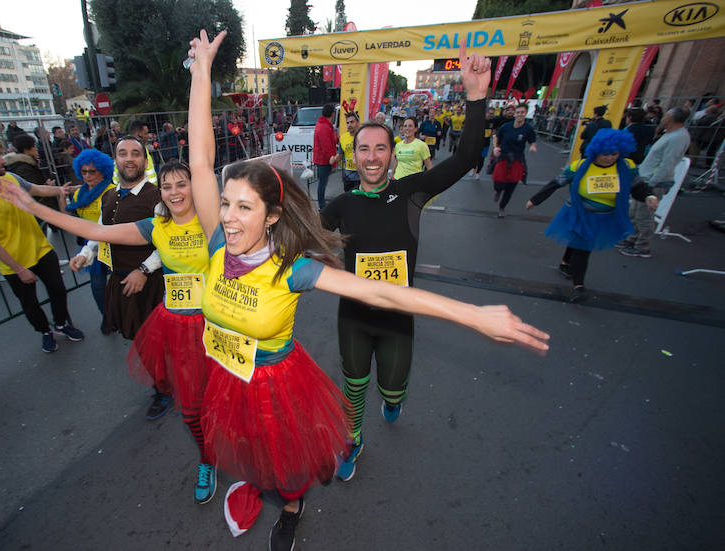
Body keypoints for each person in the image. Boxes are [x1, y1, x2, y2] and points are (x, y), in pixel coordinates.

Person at [186, 29, 549, 551]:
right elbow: (201, 160)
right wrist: (201, 73)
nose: (229, 216)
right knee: (270, 441)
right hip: (230, 374)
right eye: (226, 203)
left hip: (287, 377)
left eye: (244, 207)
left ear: (269, 215)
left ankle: (294, 502)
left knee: (321, 440)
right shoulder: (222, 239)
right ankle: (327, 455)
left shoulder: (300, 265)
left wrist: (473, 316)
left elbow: (385, 293)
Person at [0, 159, 215, 504]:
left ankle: (237, 448)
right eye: (168, 186)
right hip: (179, 324)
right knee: (191, 407)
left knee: (228, 396)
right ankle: (208, 460)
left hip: (220, 324)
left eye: (182, 184)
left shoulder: (213, 222)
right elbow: (96, 232)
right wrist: (33, 206)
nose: (175, 192)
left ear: (195, 186)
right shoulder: (154, 227)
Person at [321, 47, 490, 483]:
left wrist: (476, 97)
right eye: (364, 149)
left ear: (393, 155)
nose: (372, 157)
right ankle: (353, 437)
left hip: (399, 319)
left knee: (391, 390)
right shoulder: (341, 204)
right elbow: (302, 237)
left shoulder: (413, 191)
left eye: (381, 149)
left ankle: (393, 399)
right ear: (353, 156)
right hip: (354, 316)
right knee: (353, 385)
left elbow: (467, 156)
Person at [69, 136, 168, 417]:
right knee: (139, 338)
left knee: (153, 341)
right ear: (116, 160)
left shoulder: (156, 197)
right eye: (122, 153)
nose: (129, 158)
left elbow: (168, 241)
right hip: (120, 279)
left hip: (150, 282)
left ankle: (164, 390)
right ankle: (164, 382)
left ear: (144, 160)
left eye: (135, 153)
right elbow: (100, 232)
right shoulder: (109, 195)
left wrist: (144, 270)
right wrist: (85, 255)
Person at [0, 141, 83, 353]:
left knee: (58, 290)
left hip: (41, 250)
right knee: (30, 303)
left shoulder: (10, 178)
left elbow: (36, 190)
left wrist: (64, 190)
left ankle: (61, 324)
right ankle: (45, 331)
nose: (2, 160)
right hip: (14, 263)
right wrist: (19, 269)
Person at [527, 129, 657, 302]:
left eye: (614, 153)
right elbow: (556, 182)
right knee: (583, 248)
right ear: (596, 151)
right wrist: (535, 200)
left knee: (577, 241)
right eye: (605, 154)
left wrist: (649, 196)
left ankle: (566, 262)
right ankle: (578, 287)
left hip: (605, 216)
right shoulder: (580, 166)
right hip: (580, 213)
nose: (610, 157)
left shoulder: (626, 167)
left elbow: (638, 187)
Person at [617, 107, 691, 258]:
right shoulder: (669, 134)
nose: (662, 118)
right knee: (635, 212)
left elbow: (667, 164)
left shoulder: (678, 137)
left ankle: (642, 246)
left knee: (644, 216)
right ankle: (632, 239)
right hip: (645, 179)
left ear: (672, 119)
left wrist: (652, 183)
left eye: (666, 116)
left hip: (654, 182)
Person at [63, 149, 116, 327]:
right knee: (97, 285)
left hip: (114, 242)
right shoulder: (79, 194)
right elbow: (70, 217)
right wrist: (61, 197)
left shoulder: (112, 190)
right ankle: (107, 316)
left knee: (122, 283)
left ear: (103, 170)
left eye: (92, 171)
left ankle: (126, 315)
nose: (87, 175)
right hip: (91, 245)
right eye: (84, 171)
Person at [492, 103, 537, 218]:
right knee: (498, 181)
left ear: (526, 114)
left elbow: (533, 140)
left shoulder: (528, 129)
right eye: (518, 112)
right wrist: (496, 147)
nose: (520, 115)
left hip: (516, 160)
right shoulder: (506, 127)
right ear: (515, 114)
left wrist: (533, 146)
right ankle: (497, 191)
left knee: (511, 187)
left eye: (522, 112)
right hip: (503, 158)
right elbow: (496, 137)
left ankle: (502, 207)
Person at [312, 105, 338, 210]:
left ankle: (322, 205)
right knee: (322, 183)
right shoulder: (324, 126)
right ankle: (322, 206)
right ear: (332, 113)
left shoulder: (323, 125)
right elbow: (326, 147)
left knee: (322, 182)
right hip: (324, 160)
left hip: (322, 159)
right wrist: (333, 160)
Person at [127, 120, 159, 185]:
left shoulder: (139, 146)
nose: (148, 136)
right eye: (146, 133)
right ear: (139, 134)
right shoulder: (132, 149)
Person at [339, 111, 361, 192]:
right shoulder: (343, 138)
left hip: (361, 176)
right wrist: (334, 158)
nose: (349, 125)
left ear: (358, 123)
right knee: (348, 200)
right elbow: (340, 155)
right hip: (348, 176)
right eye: (347, 123)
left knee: (360, 201)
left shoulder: (363, 136)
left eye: (352, 122)